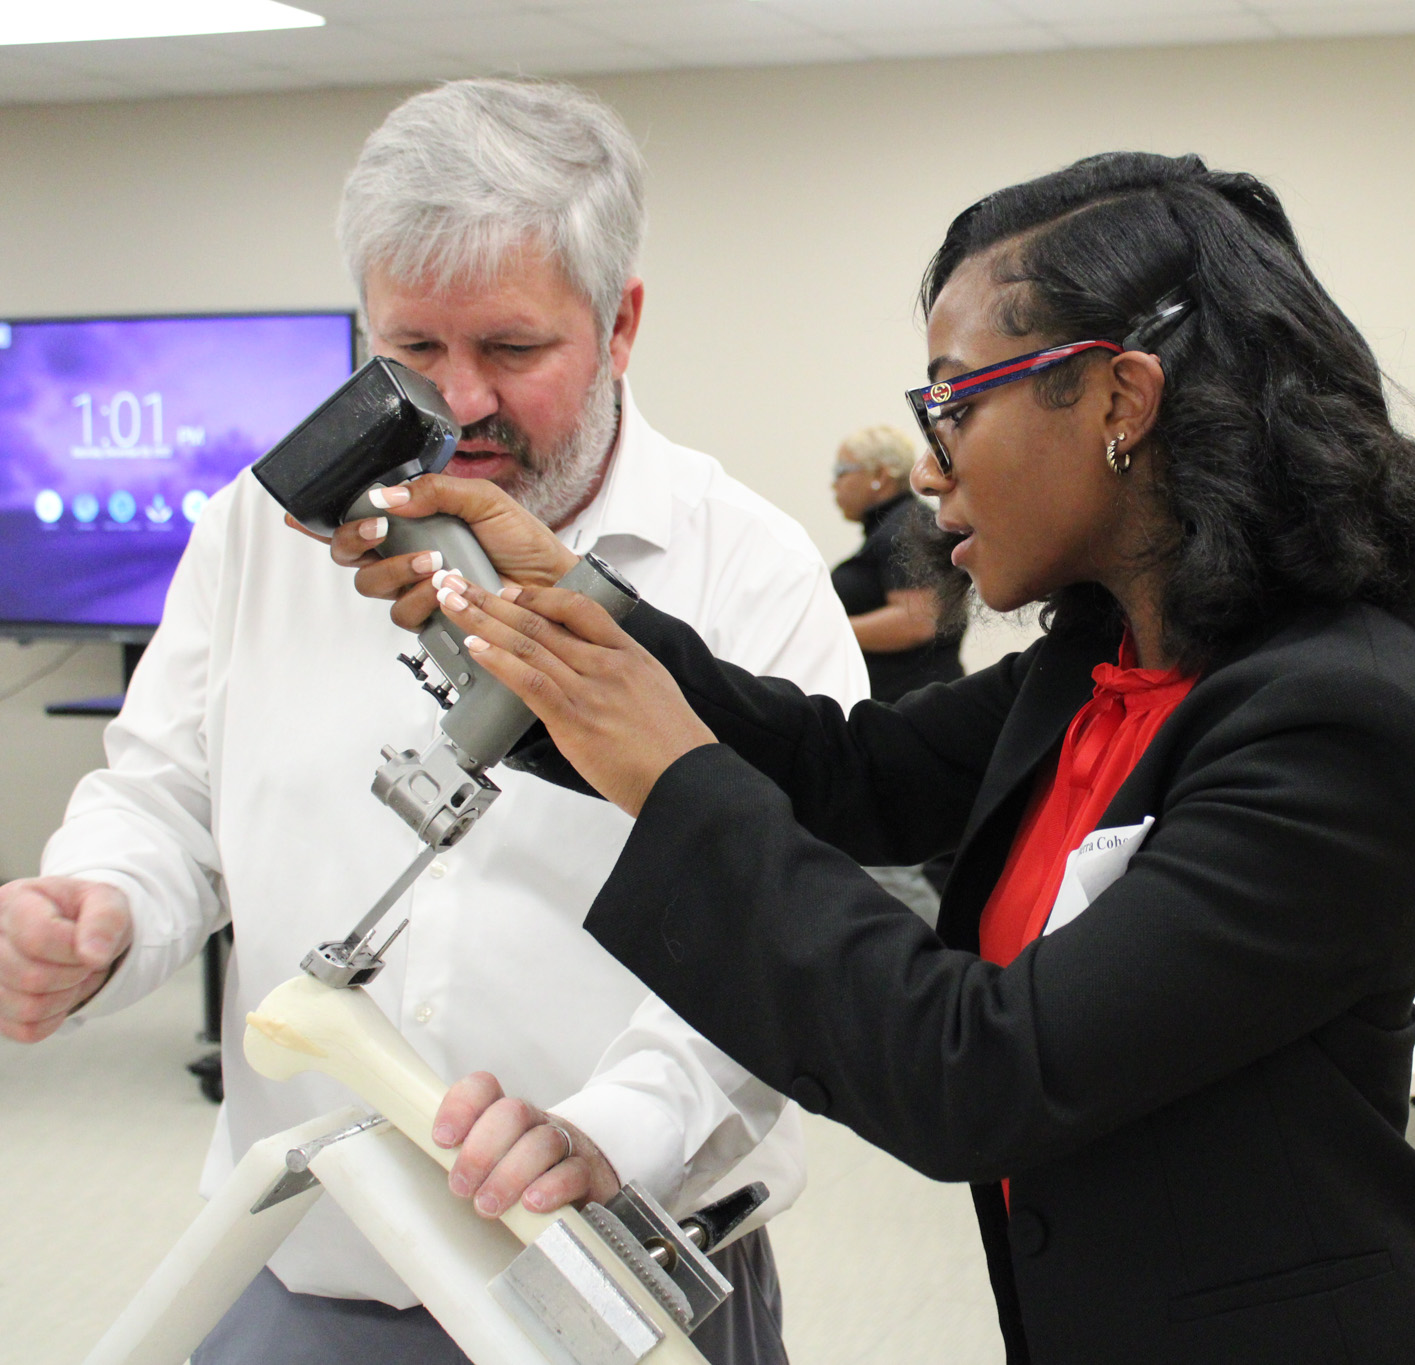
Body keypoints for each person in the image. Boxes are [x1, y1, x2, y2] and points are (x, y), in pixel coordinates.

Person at [336, 152, 1415, 1364]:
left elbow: (982, 1074)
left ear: (1120, 400)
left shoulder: (1333, 711)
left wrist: (671, 778)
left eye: (954, 402)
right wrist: (575, 625)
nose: (926, 464)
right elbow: (854, 773)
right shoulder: (1111, 649)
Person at [0, 78, 865, 1365]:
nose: (457, 403)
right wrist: (101, 906)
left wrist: (612, 1128)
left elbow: (797, 929)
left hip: (611, 1281)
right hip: (302, 1264)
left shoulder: (745, 572)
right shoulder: (263, 532)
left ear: (621, 324)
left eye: (513, 352)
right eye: (412, 352)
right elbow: (165, 793)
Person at [827, 423, 964, 704]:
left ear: (879, 474)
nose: (834, 484)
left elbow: (917, 620)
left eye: (841, 472)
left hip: (914, 709)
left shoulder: (905, 528)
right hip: (905, 704)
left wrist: (825, 631)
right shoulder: (899, 525)